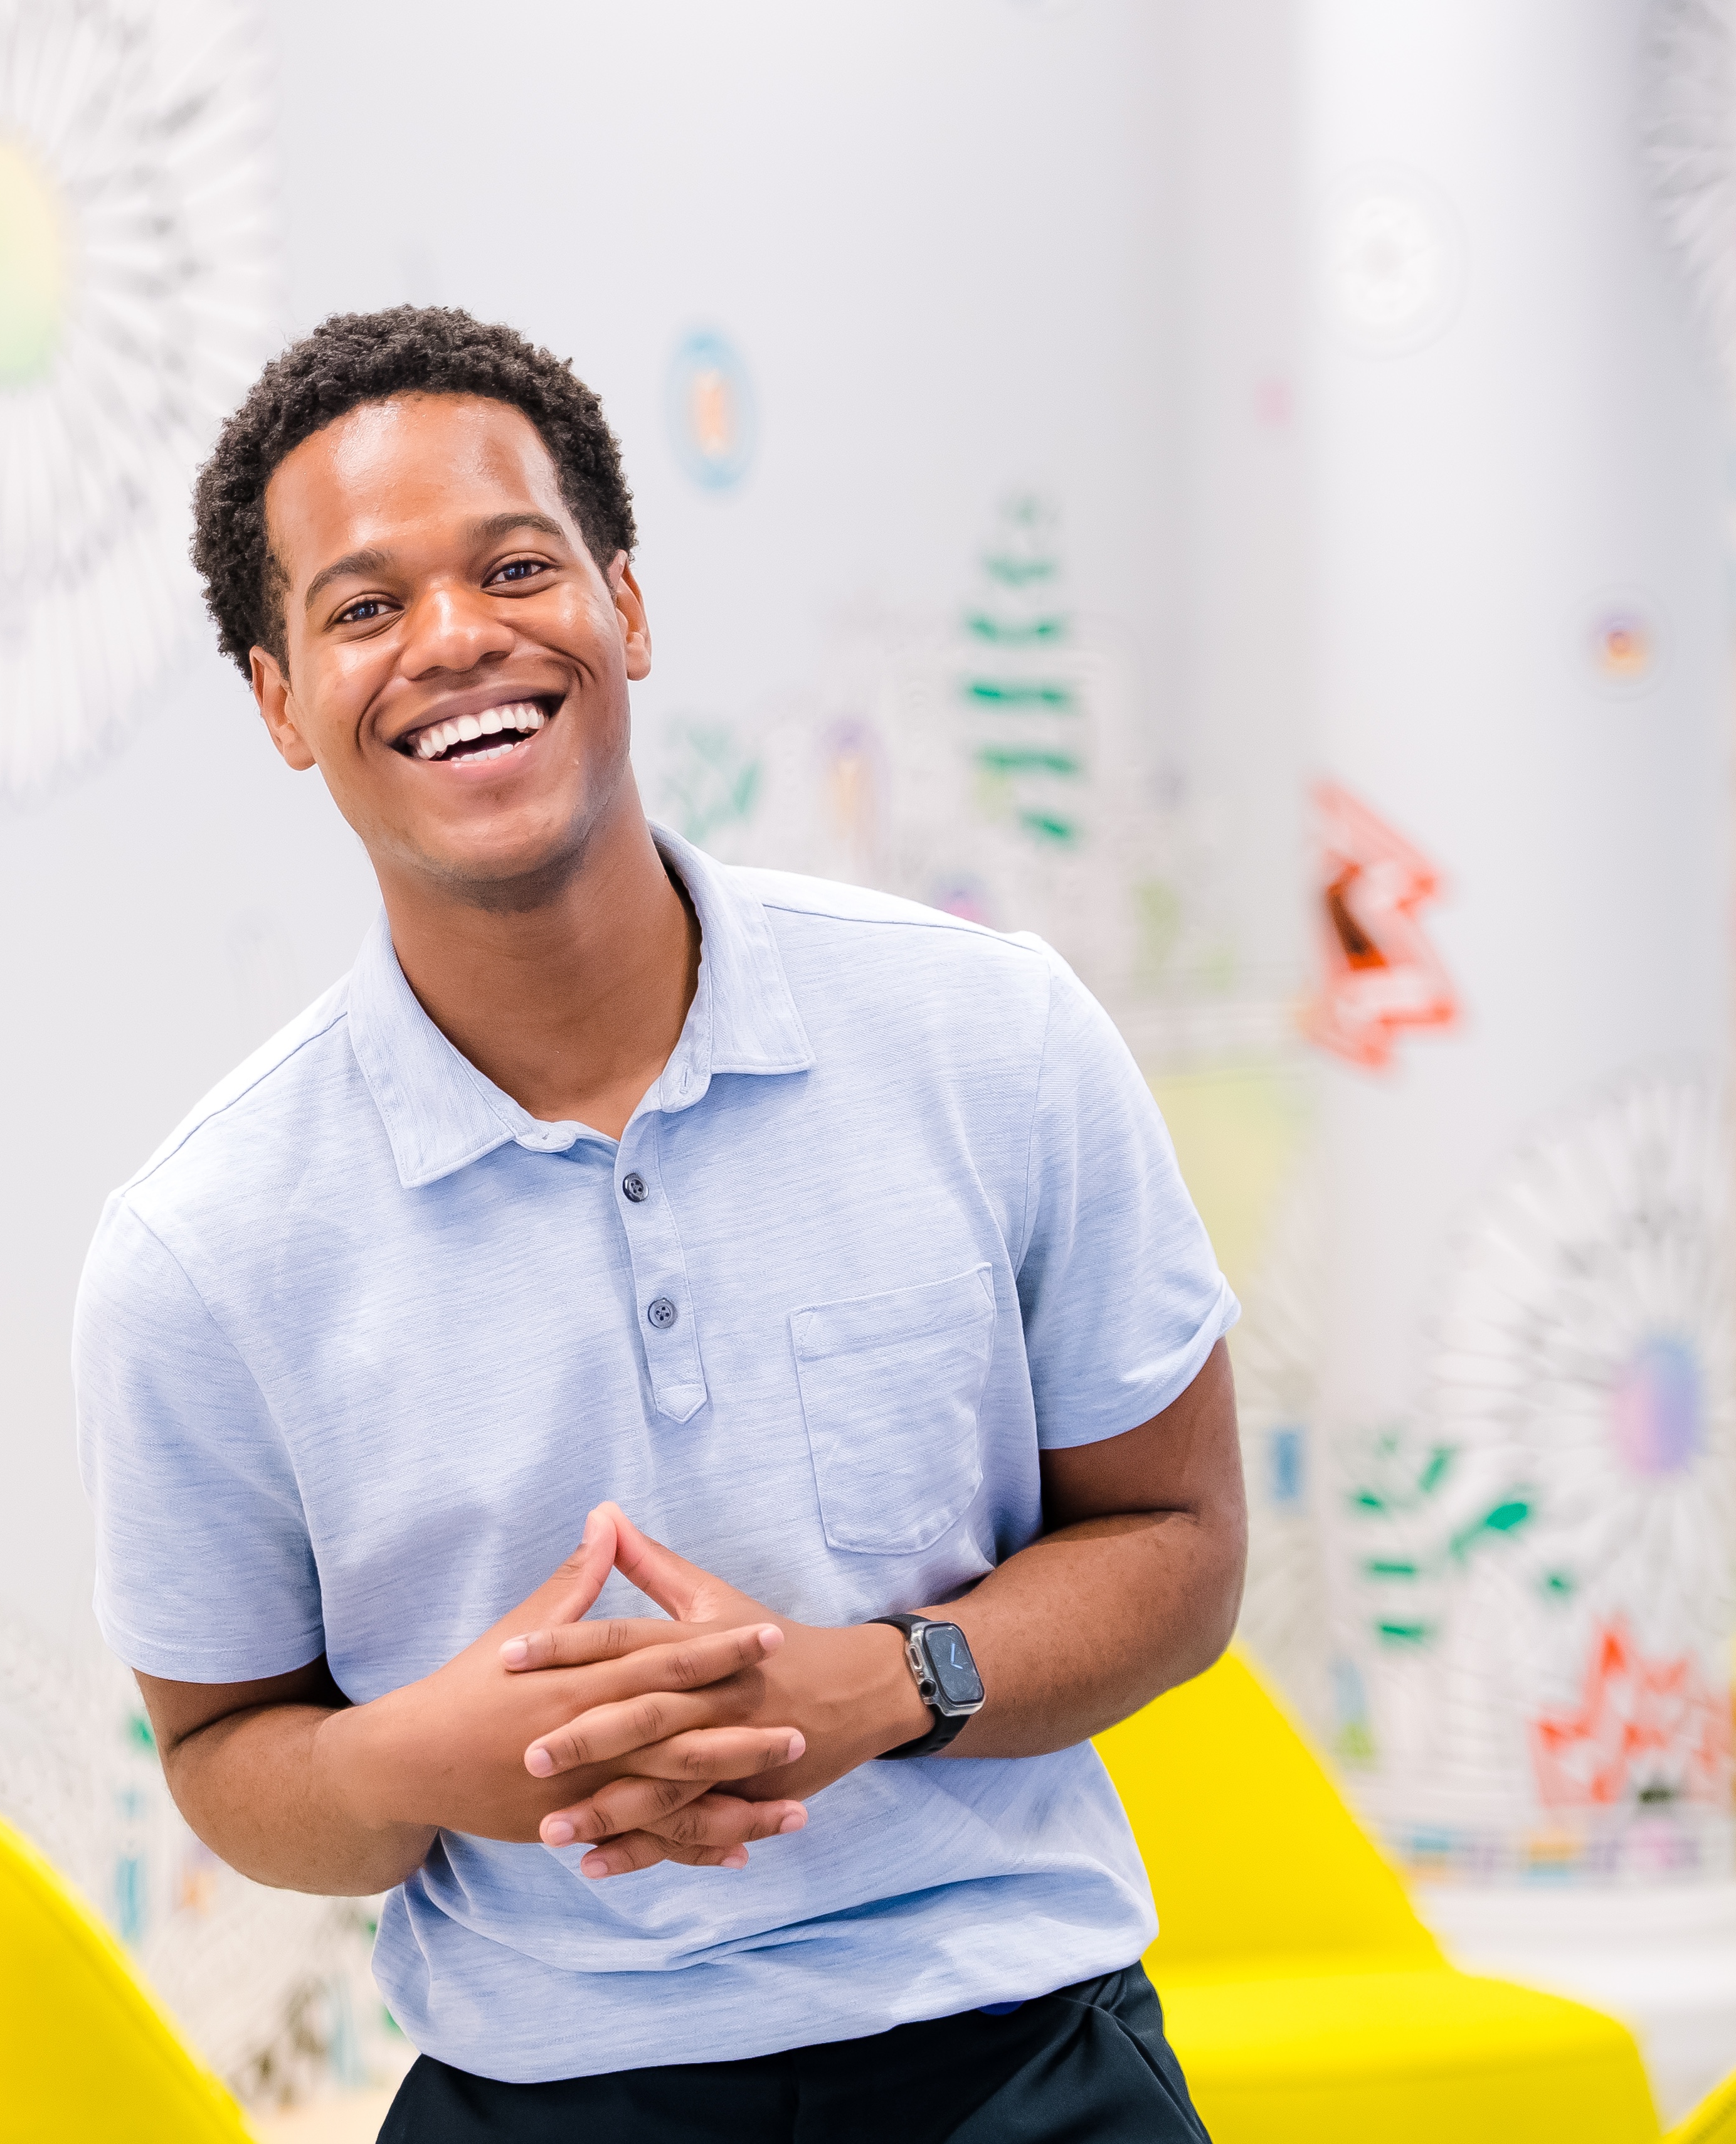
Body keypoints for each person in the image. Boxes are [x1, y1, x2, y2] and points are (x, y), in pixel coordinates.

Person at [74, 305, 1246, 2141]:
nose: (455, 637)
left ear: (626, 606)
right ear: (278, 698)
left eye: (514, 564)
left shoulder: (986, 1034)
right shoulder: (199, 1247)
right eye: (362, 606)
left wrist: (890, 1681)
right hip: (543, 2093)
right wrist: (431, 1758)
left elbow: (1178, 1542)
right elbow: (227, 1757)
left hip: (1025, 2056)